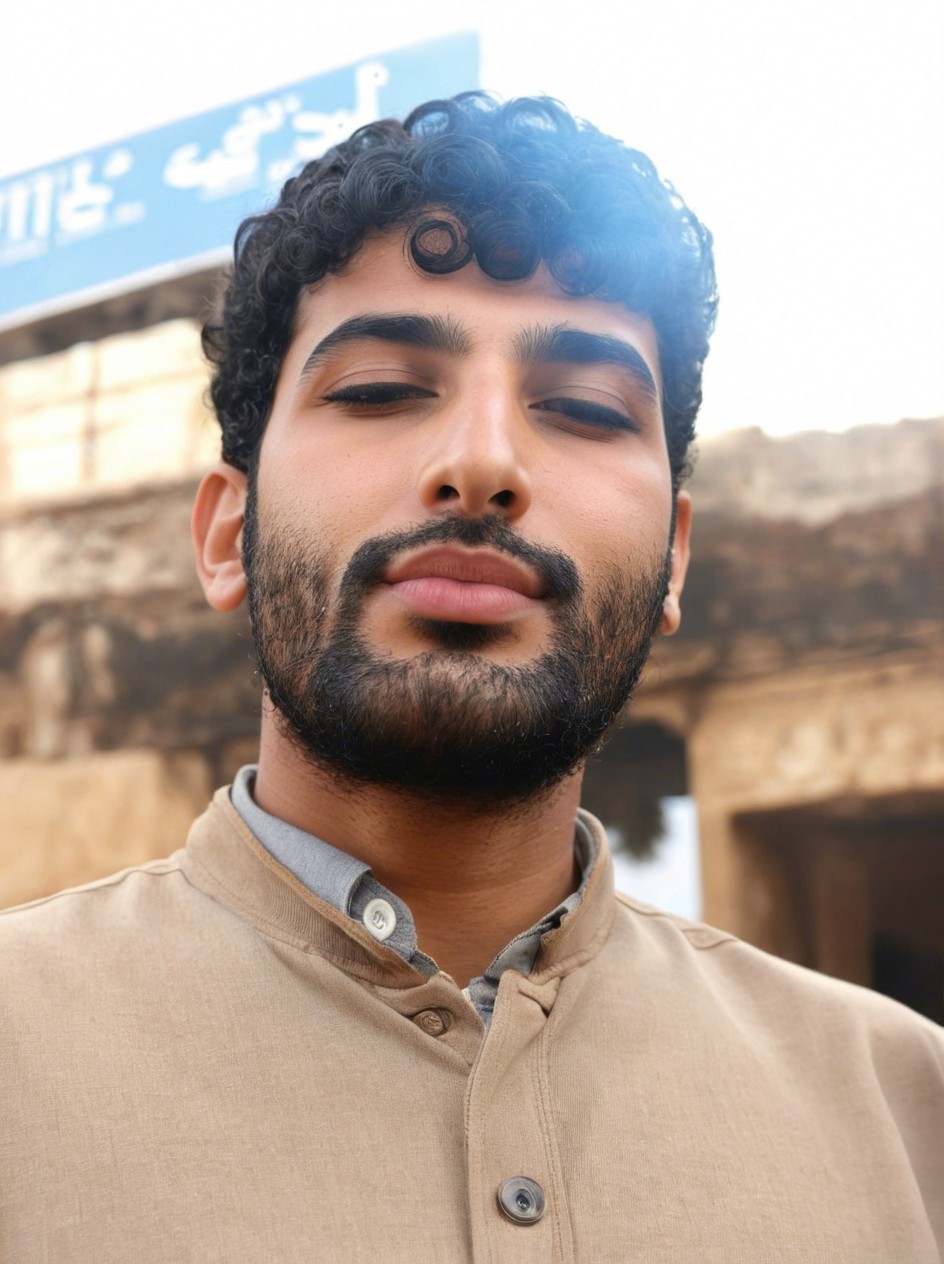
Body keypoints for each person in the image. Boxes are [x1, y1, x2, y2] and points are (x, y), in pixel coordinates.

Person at [1, 93, 941, 1263]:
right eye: (380, 391)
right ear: (223, 532)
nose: (482, 461)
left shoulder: (905, 1108)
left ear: (672, 561)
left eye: (586, 409)